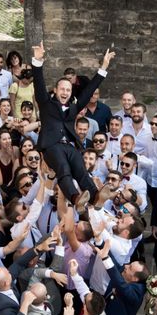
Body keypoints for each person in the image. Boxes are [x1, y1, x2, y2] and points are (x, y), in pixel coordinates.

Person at [31, 41, 115, 205]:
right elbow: (39, 84)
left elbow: (90, 90)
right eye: (62, 89)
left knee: (80, 168)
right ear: (55, 90)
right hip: (51, 145)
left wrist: (103, 67)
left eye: (68, 90)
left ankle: (95, 197)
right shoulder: (46, 103)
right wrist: (37, 62)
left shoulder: (74, 107)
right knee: (64, 169)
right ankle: (75, 198)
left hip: (69, 144)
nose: (65, 92)